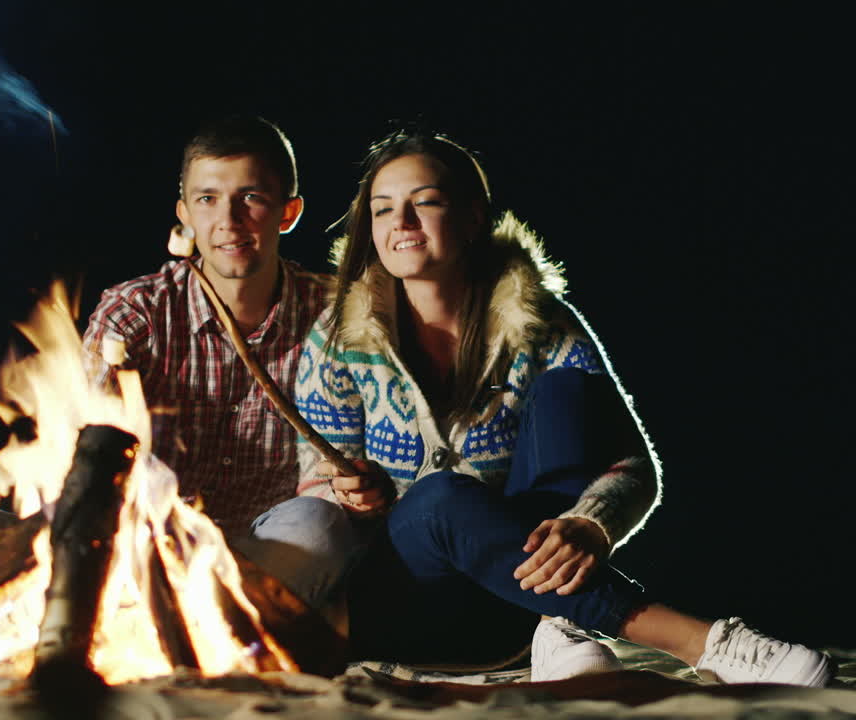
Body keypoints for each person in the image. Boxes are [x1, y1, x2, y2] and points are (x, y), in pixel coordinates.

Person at [293, 128, 833, 686]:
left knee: (564, 391)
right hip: (405, 604)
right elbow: (315, 500)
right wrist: (349, 494)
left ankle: (557, 628)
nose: (400, 223)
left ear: (474, 216)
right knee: (439, 499)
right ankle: (707, 642)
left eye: (424, 202)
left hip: (523, 602)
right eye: (383, 210)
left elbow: (633, 466)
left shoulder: (543, 323)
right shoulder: (339, 340)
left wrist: (590, 524)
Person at [0, 115, 353, 611]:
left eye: (251, 198)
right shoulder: (136, 309)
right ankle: (36, 609)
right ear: (184, 214)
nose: (228, 220)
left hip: (244, 562)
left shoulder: (337, 314)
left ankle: (171, 619)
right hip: (102, 553)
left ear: (289, 212)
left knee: (321, 526)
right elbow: (90, 451)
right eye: (208, 199)